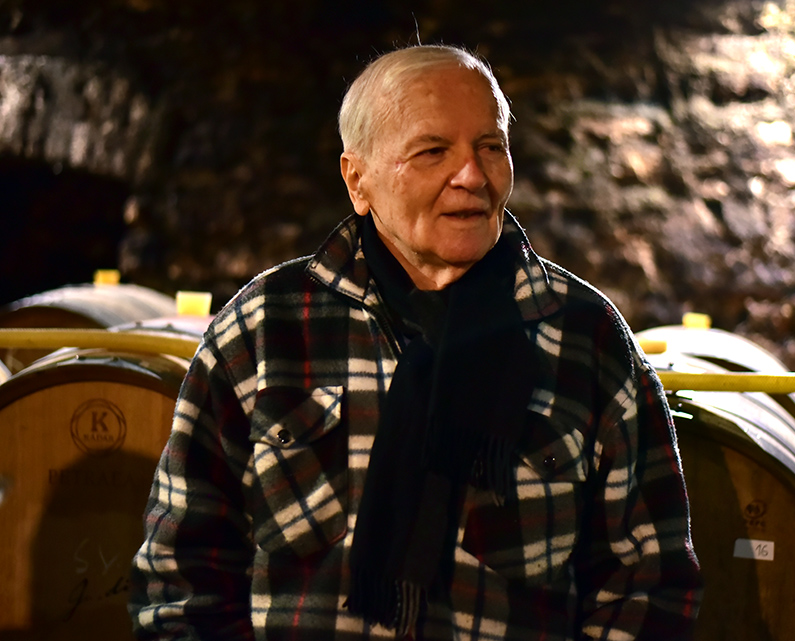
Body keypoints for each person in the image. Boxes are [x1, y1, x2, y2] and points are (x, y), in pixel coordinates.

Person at [129, 44, 702, 640]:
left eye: (491, 147)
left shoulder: (586, 337)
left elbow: (649, 582)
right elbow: (180, 575)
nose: (472, 176)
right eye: (433, 152)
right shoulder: (265, 328)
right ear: (358, 180)